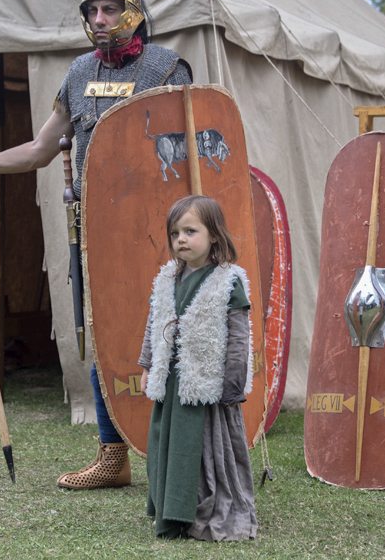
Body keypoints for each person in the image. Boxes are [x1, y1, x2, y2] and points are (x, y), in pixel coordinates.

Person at [0, 0, 192, 490]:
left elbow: (192, 152)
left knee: (167, 332)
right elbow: (39, 149)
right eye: (92, 9)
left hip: (156, 228)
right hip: (94, 229)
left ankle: (177, 447)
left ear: (135, 12)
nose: (99, 19)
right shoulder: (78, 73)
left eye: (110, 8)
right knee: (102, 335)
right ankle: (111, 454)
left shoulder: (168, 69)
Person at [138, 195, 258, 541]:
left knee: (202, 448)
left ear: (215, 236)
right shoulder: (167, 278)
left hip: (206, 386)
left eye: (190, 231)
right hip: (173, 382)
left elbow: (238, 338)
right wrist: (147, 363)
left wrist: (232, 387)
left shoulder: (227, 280)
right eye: (175, 233)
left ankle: (202, 507)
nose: (181, 240)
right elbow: (154, 322)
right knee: (169, 443)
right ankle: (170, 508)